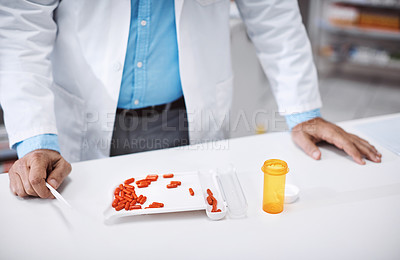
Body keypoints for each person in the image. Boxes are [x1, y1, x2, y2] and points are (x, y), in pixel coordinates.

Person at [0, 0, 381, 199]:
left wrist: (304, 112)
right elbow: (20, 26)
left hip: (186, 116)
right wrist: (36, 140)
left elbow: (273, 13)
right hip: (83, 116)